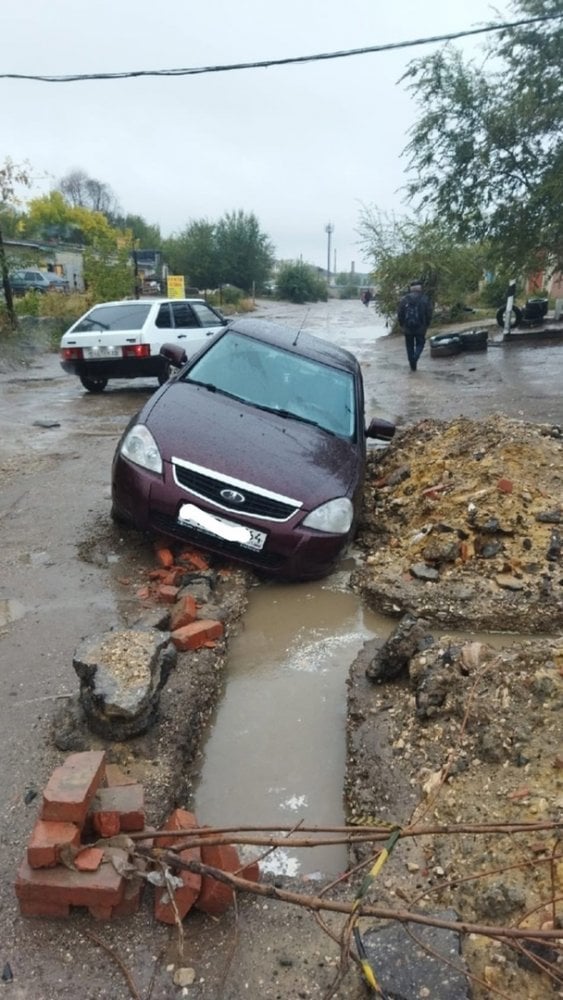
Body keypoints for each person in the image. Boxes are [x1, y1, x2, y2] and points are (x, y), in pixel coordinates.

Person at [397, 280, 433, 371]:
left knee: (409, 346)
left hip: (407, 327)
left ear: (411, 289)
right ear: (420, 288)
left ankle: (412, 366)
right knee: (420, 343)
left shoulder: (404, 299)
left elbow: (400, 313)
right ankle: (415, 358)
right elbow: (429, 313)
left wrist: (401, 324)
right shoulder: (424, 299)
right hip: (421, 327)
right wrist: (427, 324)